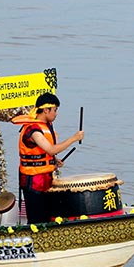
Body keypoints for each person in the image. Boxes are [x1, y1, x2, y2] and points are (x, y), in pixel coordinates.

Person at [17, 93, 84, 224]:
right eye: (55, 110)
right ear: (46, 110)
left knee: (48, 216)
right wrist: (74, 138)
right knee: (37, 219)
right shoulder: (33, 129)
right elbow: (51, 149)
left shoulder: (47, 126)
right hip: (33, 180)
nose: (56, 113)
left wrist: (53, 159)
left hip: (46, 178)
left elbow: (48, 152)